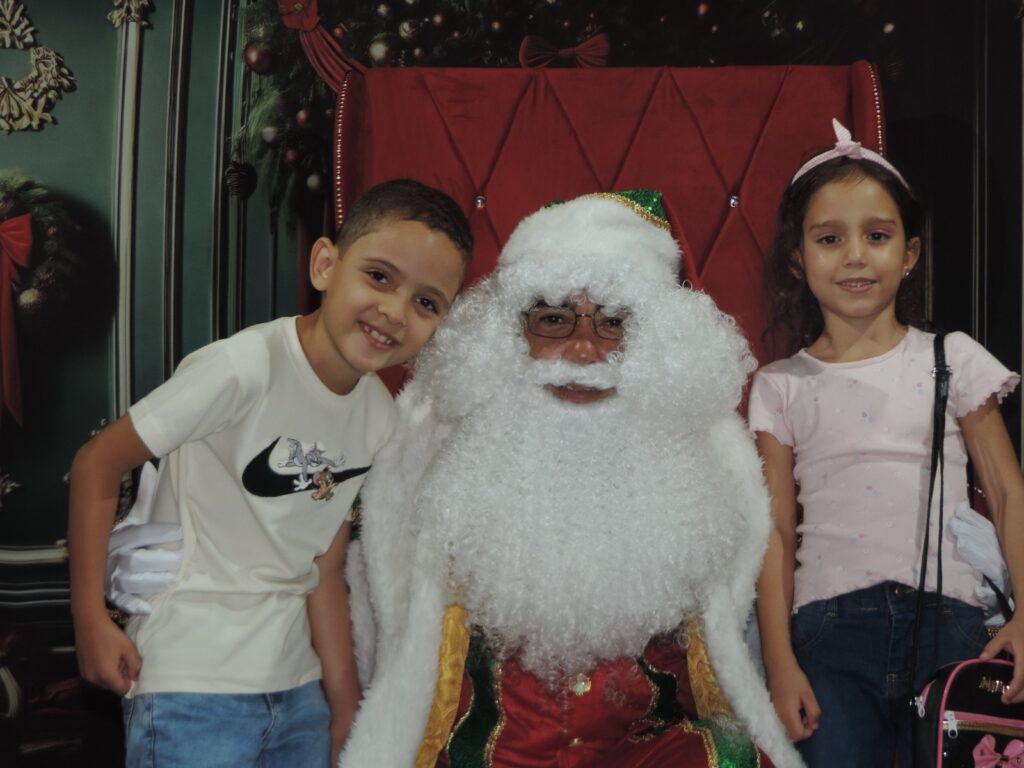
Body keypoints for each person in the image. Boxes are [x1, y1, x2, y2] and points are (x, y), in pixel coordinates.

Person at [340, 190, 803, 767]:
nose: (583, 351)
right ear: (511, 334)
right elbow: (365, 591)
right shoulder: (431, 437)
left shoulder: (706, 451)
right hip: (491, 748)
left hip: (647, 746)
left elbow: (736, 617)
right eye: (554, 320)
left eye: (614, 323)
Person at [67, 178, 473, 768]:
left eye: (426, 303)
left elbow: (324, 566)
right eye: (379, 276)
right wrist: (88, 620)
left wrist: (343, 705)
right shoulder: (244, 367)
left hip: (297, 690)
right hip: (191, 681)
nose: (394, 311)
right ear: (326, 265)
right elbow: (97, 463)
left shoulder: (379, 416)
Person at [749, 119, 1024, 768]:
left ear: (909, 254)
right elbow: (774, 533)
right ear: (798, 257)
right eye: (829, 238)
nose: (855, 256)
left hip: (951, 626)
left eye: (877, 236)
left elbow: (1008, 493)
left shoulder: (952, 359)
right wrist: (779, 663)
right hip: (828, 634)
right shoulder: (780, 385)